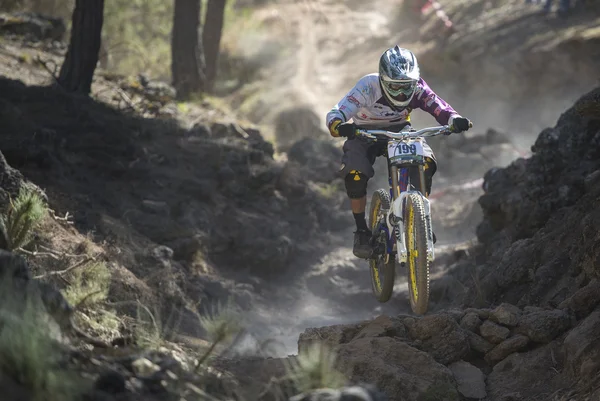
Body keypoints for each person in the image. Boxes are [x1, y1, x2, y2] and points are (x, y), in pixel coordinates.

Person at [325, 46, 472, 259]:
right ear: (383, 81)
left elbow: (438, 106)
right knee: (355, 175)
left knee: (426, 163)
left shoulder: (418, 87)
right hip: (364, 132)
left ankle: (420, 219)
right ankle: (361, 231)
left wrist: (454, 119)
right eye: (395, 87)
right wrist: (338, 125)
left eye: (407, 87)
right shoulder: (368, 86)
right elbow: (337, 110)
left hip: (400, 130)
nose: (402, 93)